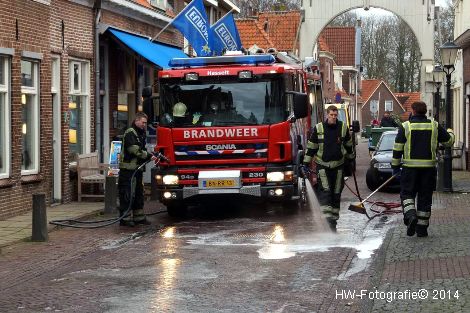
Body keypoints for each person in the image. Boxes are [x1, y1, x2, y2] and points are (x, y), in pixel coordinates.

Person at [392, 101, 454, 237]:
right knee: (425, 198)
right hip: (428, 170)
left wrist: (395, 167)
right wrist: (450, 132)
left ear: (413, 111)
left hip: (410, 170)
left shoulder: (405, 126)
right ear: (425, 112)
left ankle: (411, 215)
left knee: (407, 194)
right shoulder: (434, 125)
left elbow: (397, 149)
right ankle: (422, 229)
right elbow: (449, 141)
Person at [302, 105, 355, 231]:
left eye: (335, 115)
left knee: (336, 193)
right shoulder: (319, 128)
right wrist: (305, 163)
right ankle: (327, 223)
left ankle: (333, 223)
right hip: (323, 166)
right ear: (327, 115)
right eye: (331, 115)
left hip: (338, 166)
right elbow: (311, 147)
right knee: (325, 192)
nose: (333, 117)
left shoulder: (343, 127)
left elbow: (348, 145)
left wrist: (351, 159)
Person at [118, 112, 157, 227]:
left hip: (137, 170)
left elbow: (141, 149)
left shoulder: (140, 133)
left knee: (139, 193)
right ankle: (124, 219)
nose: (144, 125)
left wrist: (150, 154)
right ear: (136, 121)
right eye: (143, 122)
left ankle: (139, 217)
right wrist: (149, 156)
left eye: (145, 123)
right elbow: (134, 150)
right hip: (128, 170)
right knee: (127, 194)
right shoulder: (130, 133)